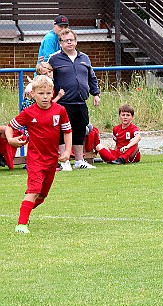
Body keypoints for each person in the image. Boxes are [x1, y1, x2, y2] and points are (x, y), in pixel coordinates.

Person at [5, 75, 72, 233]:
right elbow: (10, 126)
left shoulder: (60, 110)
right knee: (34, 191)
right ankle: (21, 224)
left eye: (49, 93)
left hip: (52, 160)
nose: (45, 97)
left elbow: (67, 131)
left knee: (41, 197)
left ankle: (24, 209)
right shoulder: (28, 113)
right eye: (41, 93)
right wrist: (10, 139)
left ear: (53, 92)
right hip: (35, 160)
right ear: (33, 94)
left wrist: (68, 150)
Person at [48, 28, 101, 171]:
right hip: (63, 103)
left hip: (81, 102)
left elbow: (92, 77)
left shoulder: (84, 58)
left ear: (76, 41)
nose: (69, 42)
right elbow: (44, 75)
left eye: (72, 40)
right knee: (62, 131)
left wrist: (96, 94)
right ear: (60, 43)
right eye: (66, 40)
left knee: (79, 130)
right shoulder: (54, 59)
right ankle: (64, 161)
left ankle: (79, 160)